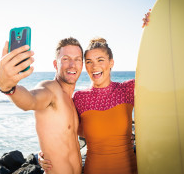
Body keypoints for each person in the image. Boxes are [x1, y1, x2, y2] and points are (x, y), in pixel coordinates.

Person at [39, 38, 137, 174]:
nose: (94, 66)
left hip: (128, 169)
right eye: (89, 62)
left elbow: (160, 82)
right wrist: (48, 153)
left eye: (100, 60)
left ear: (111, 63)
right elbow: (66, 133)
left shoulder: (128, 89)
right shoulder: (80, 98)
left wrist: (151, 28)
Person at [0, 37, 84, 174]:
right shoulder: (51, 89)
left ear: (82, 65)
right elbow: (31, 100)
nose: (72, 64)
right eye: (66, 59)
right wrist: (7, 86)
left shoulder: (71, 100)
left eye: (77, 59)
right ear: (56, 64)